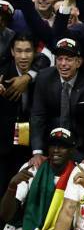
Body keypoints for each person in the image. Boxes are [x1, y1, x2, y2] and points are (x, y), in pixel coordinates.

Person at [0, 129, 76, 230]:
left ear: (72, 150)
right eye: (53, 145)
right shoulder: (33, 168)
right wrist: (11, 186)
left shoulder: (78, 175)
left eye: (62, 146)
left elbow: (74, 226)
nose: (56, 150)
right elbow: (6, 216)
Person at [30, 38, 84, 167]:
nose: (63, 63)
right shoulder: (44, 78)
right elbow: (37, 116)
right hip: (50, 147)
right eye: (59, 59)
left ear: (78, 62)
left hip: (80, 147)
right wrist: (37, 152)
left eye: (68, 59)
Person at [0, 34, 45, 192]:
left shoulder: (42, 70)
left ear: (35, 53)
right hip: (4, 144)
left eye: (28, 51)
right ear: (12, 52)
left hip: (30, 142)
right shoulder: (3, 73)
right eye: (19, 51)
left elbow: (46, 59)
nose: (24, 56)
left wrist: (28, 77)